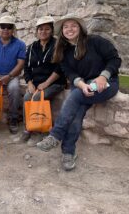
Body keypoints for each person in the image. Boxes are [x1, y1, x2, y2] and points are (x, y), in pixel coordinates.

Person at [36, 14, 121, 171]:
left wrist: (103, 76)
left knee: (74, 96)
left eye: (73, 26)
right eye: (66, 27)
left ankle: (55, 135)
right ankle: (68, 152)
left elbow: (114, 59)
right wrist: (82, 85)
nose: (70, 29)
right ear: (62, 31)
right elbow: (70, 74)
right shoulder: (64, 51)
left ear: (80, 28)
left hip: (106, 83)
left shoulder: (95, 41)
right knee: (76, 113)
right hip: (82, 85)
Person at [14, 16, 66, 146]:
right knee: (27, 97)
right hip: (36, 83)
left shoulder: (57, 45)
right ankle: (28, 129)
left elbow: (60, 68)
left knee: (37, 98)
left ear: (52, 30)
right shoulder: (32, 47)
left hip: (55, 83)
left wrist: (46, 83)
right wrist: (30, 83)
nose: (44, 31)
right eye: (41, 29)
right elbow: (26, 68)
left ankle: (38, 132)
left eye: (47, 29)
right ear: (37, 31)